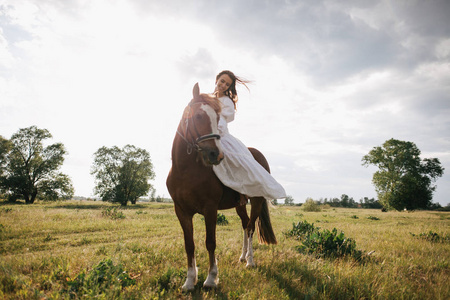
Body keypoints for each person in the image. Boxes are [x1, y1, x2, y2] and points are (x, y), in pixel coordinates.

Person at [212, 70, 286, 205]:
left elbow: (223, 120)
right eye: (222, 81)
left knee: (235, 160)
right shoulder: (208, 98)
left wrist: (215, 129)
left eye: (227, 84)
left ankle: (242, 193)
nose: (223, 85)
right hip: (207, 133)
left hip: (221, 135)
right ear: (216, 79)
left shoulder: (226, 101)